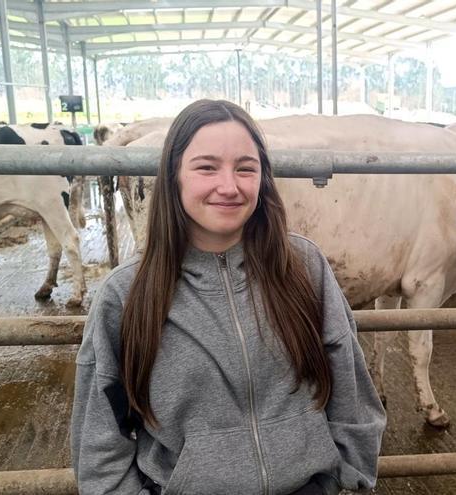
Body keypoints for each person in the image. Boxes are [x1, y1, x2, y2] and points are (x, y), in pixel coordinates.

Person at [71, 99, 386, 495]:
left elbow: (351, 387)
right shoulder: (126, 294)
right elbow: (99, 442)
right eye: (206, 167)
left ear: (263, 178)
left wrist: (348, 477)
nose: (229, 186)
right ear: (174, 177)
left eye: (245, 168)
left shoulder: (304, 266)